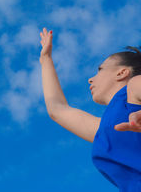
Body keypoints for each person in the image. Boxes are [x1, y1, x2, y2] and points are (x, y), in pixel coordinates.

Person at [39, 28, 141, 191]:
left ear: (122, 72)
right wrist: (45, 59)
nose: (90, 79)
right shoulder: (107, 129)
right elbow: (57, 110)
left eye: (100, 70)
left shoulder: (134, 85)